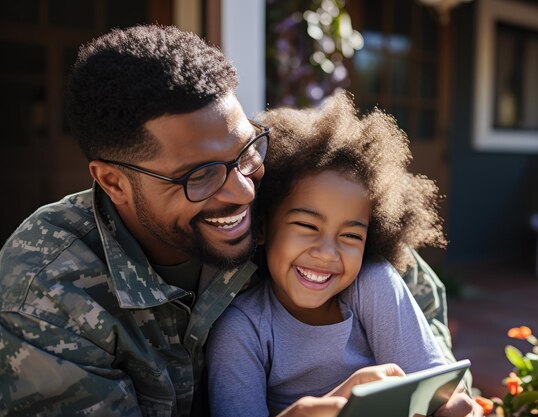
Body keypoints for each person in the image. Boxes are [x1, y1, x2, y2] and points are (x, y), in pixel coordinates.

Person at [0, 25, 475, 417]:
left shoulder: (288, 192)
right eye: (200, 175)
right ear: (114, 182)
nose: (244, 190)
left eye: (248, 149)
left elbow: (419, 316)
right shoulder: (46, 289)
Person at [205, 91, 475, 417]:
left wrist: (456, 405)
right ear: (262, 228)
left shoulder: (373, 285)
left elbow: (439, 390)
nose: (327, 252)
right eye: (307, 225)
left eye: (350, 235)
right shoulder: (241, 330)